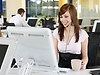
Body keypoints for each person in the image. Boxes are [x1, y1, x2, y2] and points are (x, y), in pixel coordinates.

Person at [53, 3, 88, 69]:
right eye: (61, 17)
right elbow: (54, 55)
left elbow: (85, 57)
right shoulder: (56, 32)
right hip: (61, 69)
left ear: (73, 17)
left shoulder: (82, 34)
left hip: (76, 68)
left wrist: (84, 62)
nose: (63, 20)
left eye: (66, 17)